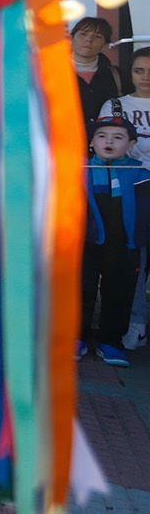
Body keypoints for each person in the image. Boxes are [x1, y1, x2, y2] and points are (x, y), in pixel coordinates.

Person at [82, 111, 150, 366]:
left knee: (119, 294)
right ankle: (77, 337)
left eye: (118, 137)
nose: (108, 141)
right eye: (102, 136)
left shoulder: (142, 174)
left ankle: (110, 342)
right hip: (87, 245)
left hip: (125, 247)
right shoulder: (81, 171)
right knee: (81, 290)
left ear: (131, 145)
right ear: (92, 142)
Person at [74, 16, 123, 125]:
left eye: (97, 36)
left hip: (105, 139)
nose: (89, 39)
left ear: (104, 45)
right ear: (71, 38)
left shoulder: (115, 75)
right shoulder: (51, 72)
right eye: (83, 34)